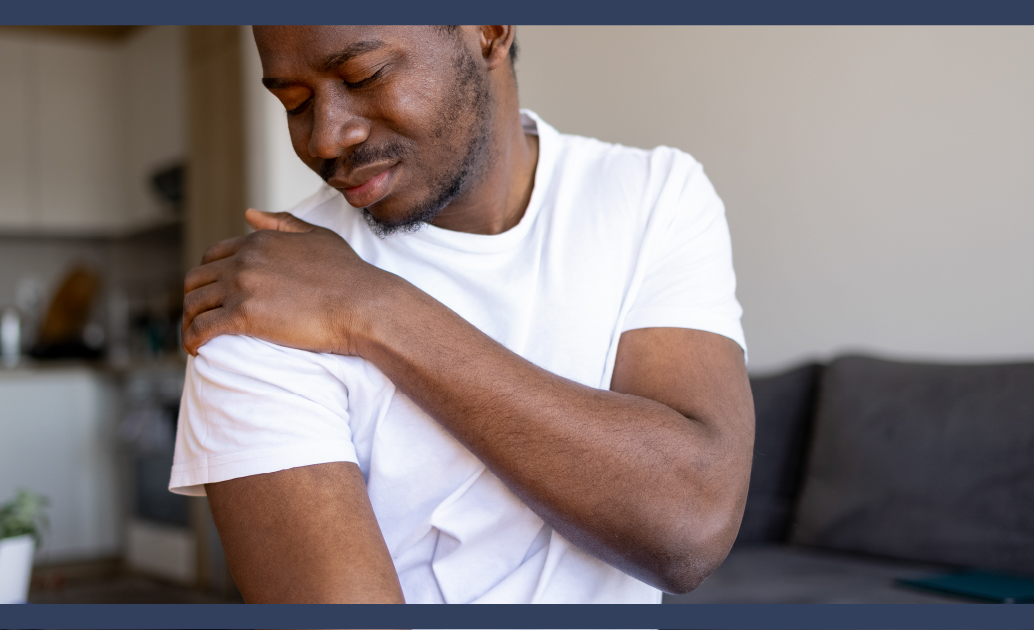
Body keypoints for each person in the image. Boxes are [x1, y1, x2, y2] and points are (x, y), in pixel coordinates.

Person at [169, 25, 754, 604]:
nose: (326, 138)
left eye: (363, 75)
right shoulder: (258, 302)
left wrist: (373, 308)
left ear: (490, 32)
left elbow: (691, 528)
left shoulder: (653, 195)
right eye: (293, 103)